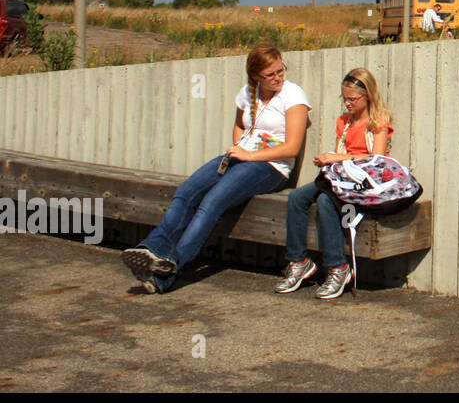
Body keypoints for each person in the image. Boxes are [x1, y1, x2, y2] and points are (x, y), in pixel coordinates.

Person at [122, 43, 310, 293]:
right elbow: (240, 125)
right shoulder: (247, 93)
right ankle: (153, 249)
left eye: (280, 70)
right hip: (239, 157)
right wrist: (239, 148)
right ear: (256, 76)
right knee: (187, 192)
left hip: (270, 167)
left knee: (211, 203)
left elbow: (292, 148)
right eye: (270, 74)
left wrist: (250, 155)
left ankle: (169, 270)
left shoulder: (293, 94)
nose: (277, 77)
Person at [276, 68, 394, 299]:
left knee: (324, 200)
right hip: (344, 177)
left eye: (353, 99)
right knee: (296, 197)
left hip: (366, 183)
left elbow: (377, 160)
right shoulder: (344, 122)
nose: (348, 103)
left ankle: (338, 267)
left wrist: (337, 158)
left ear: (367, 96)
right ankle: (298, 260)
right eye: (345, 98)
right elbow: (342, 153)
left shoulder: (378, 121)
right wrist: (329, 160)